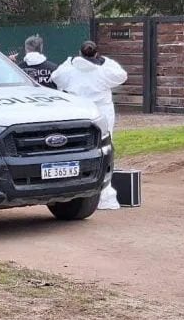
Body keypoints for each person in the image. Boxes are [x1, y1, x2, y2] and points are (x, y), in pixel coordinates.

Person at [51, 41, 128, 210]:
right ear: (96, 54)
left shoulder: (70, 68)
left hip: (77, 114)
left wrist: (69, 61)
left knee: (75, 151)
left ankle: (75, 192)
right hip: (101, 114)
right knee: (104, 150)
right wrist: (105, 61)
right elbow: (121, 75)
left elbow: (56, 78)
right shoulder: (103, 70)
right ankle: (105, 196)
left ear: (80, 52)